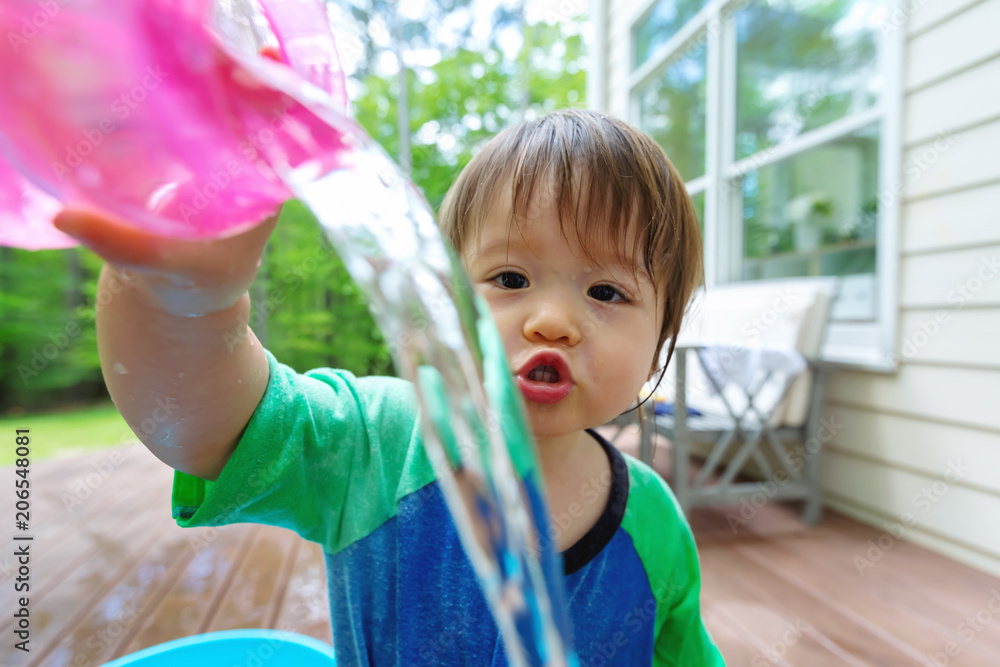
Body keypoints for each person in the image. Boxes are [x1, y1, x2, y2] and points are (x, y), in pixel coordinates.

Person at [54, 109, 725, 666]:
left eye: (606, 291)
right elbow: (207, 422)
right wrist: (183, 307)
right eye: (510, 279)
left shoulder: (654, 525)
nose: (552, 320)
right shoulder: (378, 441)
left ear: (661, 337)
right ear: (439, 296)